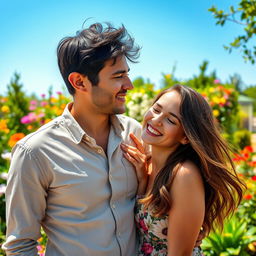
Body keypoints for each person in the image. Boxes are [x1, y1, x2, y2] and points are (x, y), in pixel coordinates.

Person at [3, 22, 142, 256]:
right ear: (79, 82)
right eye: (119, 76)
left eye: (127, 74)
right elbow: (20, 245)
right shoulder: (35, 152)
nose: (129, 85)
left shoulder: (135, 134)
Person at [121, 84, 245, 256]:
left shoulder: (184, 175)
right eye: (156, 109)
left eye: (171, 120)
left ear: (186, 136)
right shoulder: (147, 163)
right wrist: (143, 180)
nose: (156, 120)